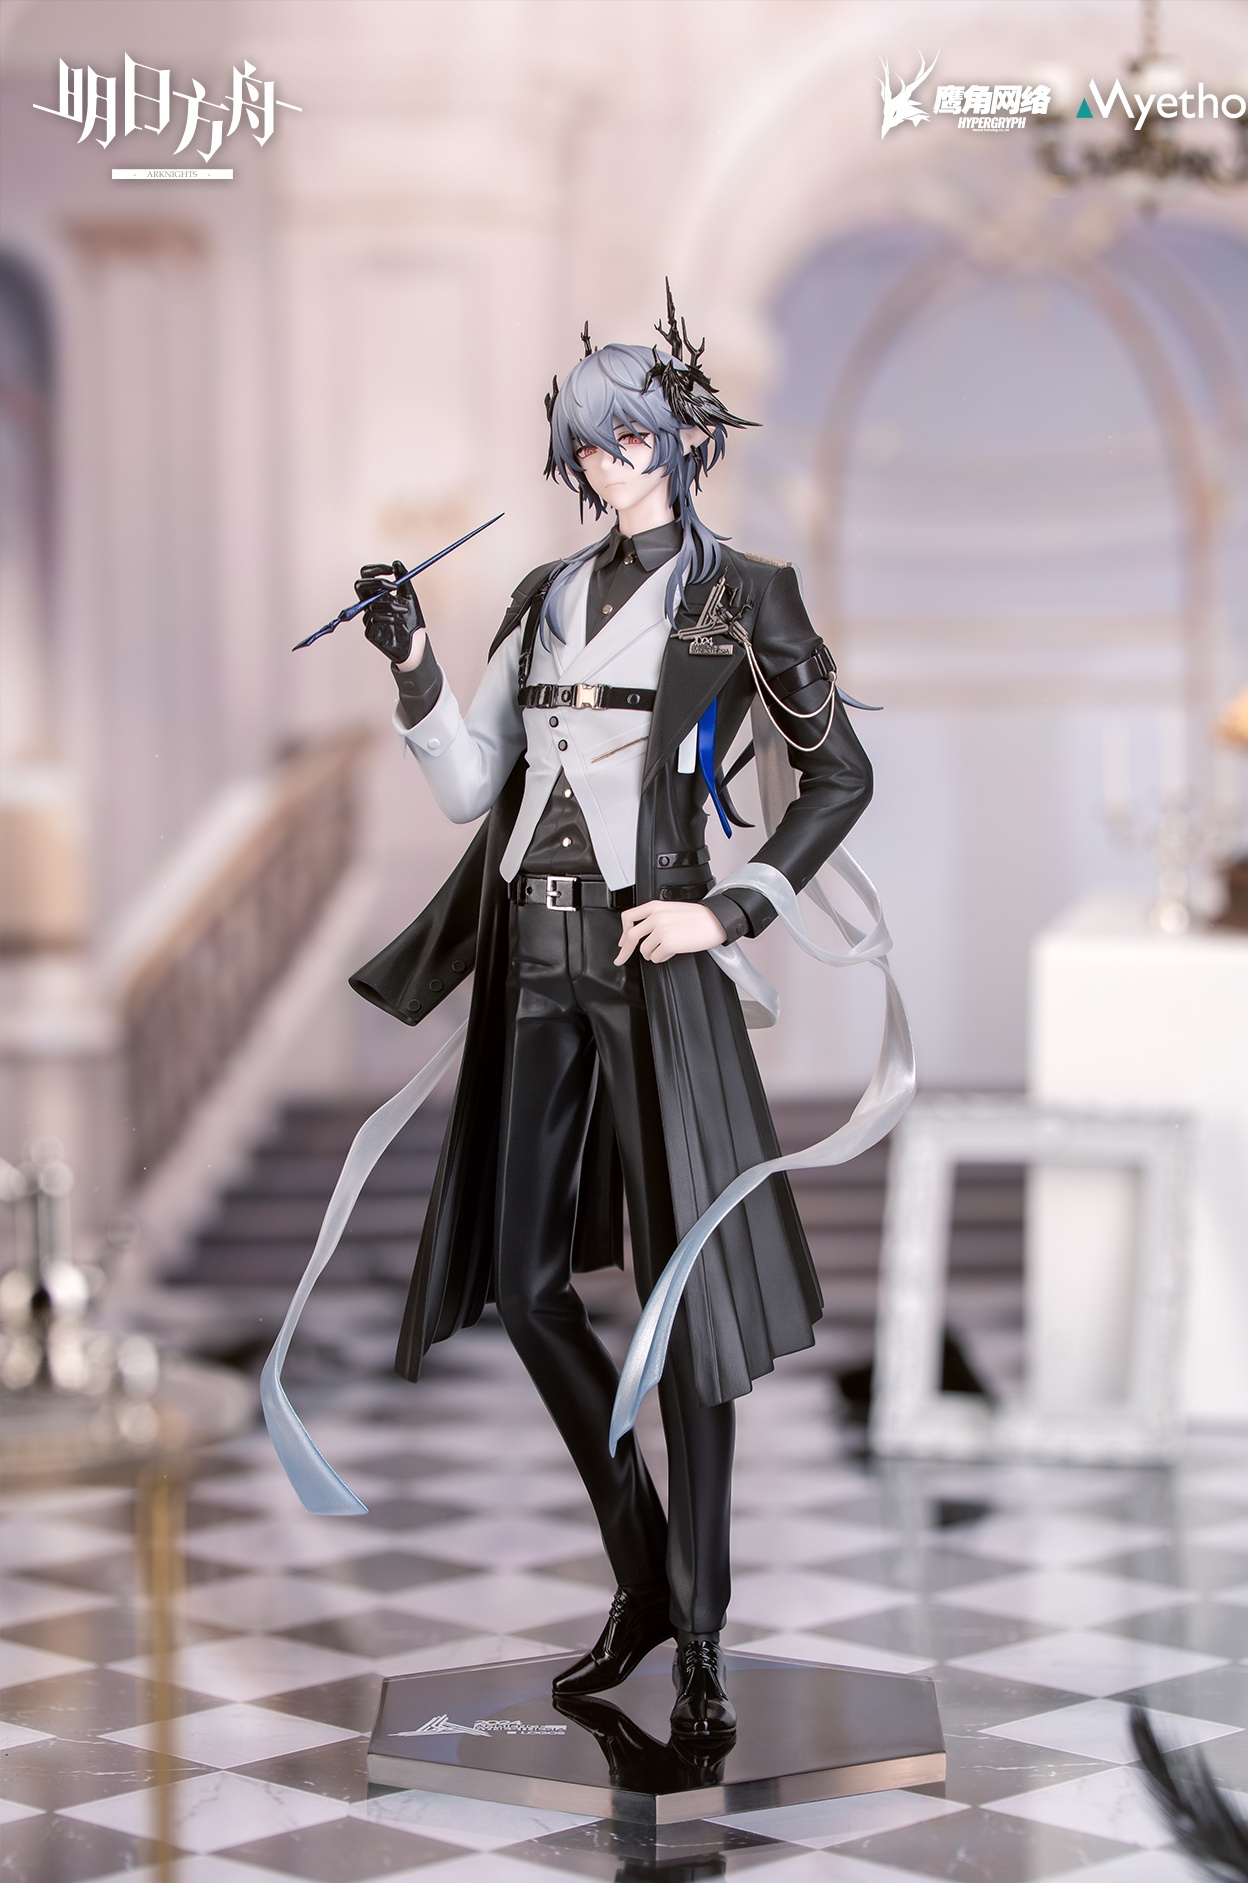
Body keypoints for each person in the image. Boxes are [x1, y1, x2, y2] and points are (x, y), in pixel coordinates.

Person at [348, 293, 874, 1741]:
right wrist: (410, 660)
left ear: (682, 438)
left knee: (685, 1295)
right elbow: (473, 784)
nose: (609, 461)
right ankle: (641, 1568)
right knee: (526, 1285)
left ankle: (698, 1631)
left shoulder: (745, 593)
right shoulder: (541, 596)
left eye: (631, 435)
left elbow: (839, 778)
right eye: (589, 443)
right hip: (533, 949)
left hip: (657, 956)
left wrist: (731, 908)